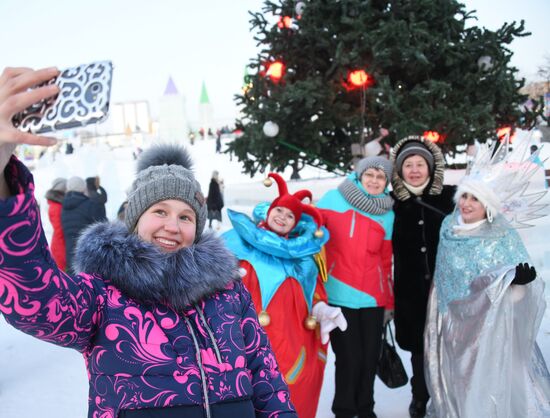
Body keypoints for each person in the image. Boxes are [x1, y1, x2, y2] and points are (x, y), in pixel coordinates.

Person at [0, 67, 296, 418]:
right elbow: (35, 300)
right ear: (135, 218)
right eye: (160, 211)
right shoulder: (102, 295)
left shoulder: (229, 292)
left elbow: (266, 380)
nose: (172, 226)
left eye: (185, 217)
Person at [424, 139, 550, 417]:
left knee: (491, 384)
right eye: (464, 197)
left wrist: (515, 282)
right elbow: (444, 278)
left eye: (476, 199)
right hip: (453, 324)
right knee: (460, 382)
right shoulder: (448, 227)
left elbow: (521, 277)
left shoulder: (501, 233)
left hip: (492, 328)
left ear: (488, 205)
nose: (467, 204)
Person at [222, 172, 347, 418]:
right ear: (269, 211)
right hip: (242, 338)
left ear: (295, 223)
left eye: (290, 216)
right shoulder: (235, 243)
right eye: (279, 210)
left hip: (290, 343)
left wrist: (322, 310)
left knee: (288, 394)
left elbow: (314, 294)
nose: (282, 217)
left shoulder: (303, 259)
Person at [316, 156, 395, 418]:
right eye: (369, 174)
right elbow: (311, 233)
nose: (374, 180)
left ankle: (365, 408)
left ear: (386, 182)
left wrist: (389, 301)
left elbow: (386, 260)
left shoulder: (388, 213)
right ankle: (344, 410)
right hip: (339, 294)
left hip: (373, 298)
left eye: (381, 177)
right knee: (349, 358)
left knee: (370, 357)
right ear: (359, 176)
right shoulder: (333, 199)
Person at [389, 135, 456, 418]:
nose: (414, 170)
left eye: (420, 164)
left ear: (431, 167)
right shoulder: (390, 203)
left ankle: (453, 398)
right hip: (411, 292)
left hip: (449, 289)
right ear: (399, 170)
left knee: (451, 347)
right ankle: (420, 397)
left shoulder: (450, 197)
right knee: (420, 350)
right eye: (408, 165)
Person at [61, 175, 107, 273]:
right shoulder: (90, 205)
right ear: (83, 188)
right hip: (89, 256)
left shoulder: (64, 207)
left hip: (70, 255)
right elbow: (104, 228)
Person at [45, 177, 68, 270]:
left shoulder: (59, 204)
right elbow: (59, 230)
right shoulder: (56, 206)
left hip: (60, 244)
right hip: (60, 247)